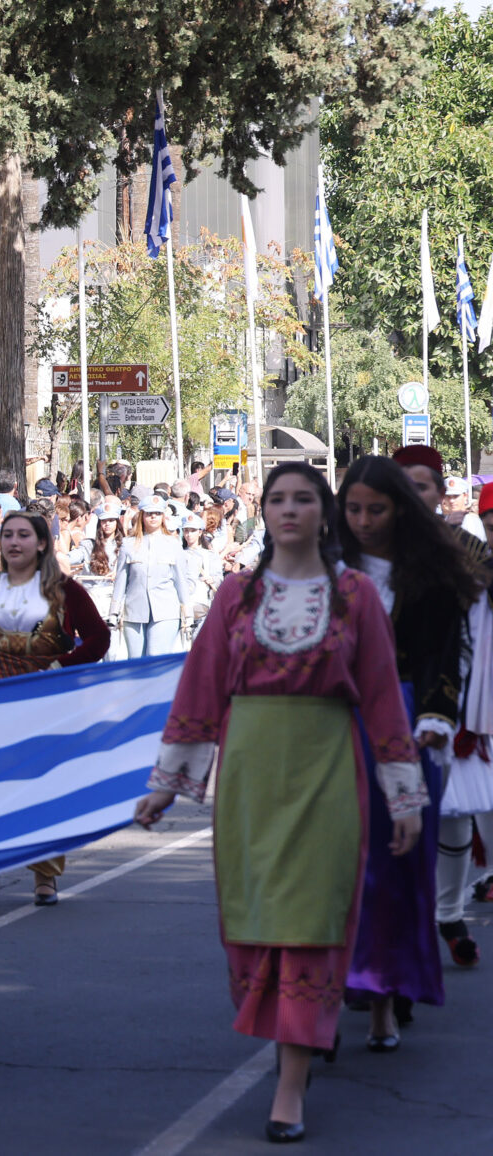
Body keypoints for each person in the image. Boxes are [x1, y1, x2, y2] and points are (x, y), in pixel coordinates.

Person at [136, 461, 427, 1144]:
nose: (290, 509)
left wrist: (404, 795)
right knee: (258, 921)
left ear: (324, 513)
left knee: (312, 921)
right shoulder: (235, 595)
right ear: (263, 512)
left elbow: (383, 696)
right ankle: (290, 1040)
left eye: (304, 498)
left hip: (327, 771)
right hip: (250, 776)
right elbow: (200, 688)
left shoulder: (354, 595)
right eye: (278, 499)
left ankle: (291, 1082)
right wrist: (165, 785)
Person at [339, 453, 478, 1050]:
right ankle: (331, 985)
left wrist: (436, 718)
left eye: (377, 509)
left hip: (408, 726)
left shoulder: (431, 571)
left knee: (397, 864)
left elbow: (444, 654)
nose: (364, 521)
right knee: (339, 866)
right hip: (335, 729)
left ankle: (386, 998)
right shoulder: (328, 565)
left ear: (399, 509)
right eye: (353, 509)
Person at [0, 509, 110, 907]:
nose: (13, 542)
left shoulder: (65, 590)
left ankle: (45, 876)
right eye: (7, 534)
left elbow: (99, 638)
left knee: (40, 785)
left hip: (44, 700)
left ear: (42, 543)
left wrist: (61, 665)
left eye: (23, 535)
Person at [391, 447, 493, 967]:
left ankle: (448, 916)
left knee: (454, 815)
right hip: (384, 695)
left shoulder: (464, 548)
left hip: (451, 695)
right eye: (403, 484)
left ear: (439, 492)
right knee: (388, 821)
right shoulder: (365, 547)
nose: (414, 495)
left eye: (423, 485)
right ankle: (393, 929)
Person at [116, 495, 189, 657]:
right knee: (136, 660)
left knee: (156, 656)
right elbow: (121, 580)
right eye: (149, 513)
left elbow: (181, 581)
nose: (153, 517)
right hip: (134, 609)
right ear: (142, 516)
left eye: (157, 513)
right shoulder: (128, 544)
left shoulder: (173, 544)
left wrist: (187, 612)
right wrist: (114, 611)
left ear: (163, 516)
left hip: (165, 610)